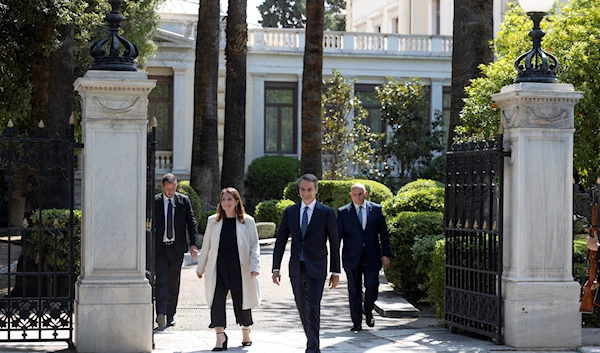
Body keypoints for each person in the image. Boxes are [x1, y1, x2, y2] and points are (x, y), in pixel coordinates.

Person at [272, 173, 340, 353]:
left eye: (310, 189)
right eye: (303, 189)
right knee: (302, 307)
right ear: (299, 191)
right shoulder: (291, 211)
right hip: (296, 267)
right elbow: (280, 240)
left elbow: (334, 243)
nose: (306, 193)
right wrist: (275, 267)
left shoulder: (326, 213)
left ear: (316, 190)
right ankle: (311, 338)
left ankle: (312, 347)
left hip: (317, 268)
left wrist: (336, 271)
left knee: (313, 307)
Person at [196, 187, 261, 351]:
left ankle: (246, 330)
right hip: (218, 268)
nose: (226, 203)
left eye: (230, 199)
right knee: (216, 301)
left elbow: (255, 246)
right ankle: (220, 337)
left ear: (237, 201)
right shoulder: (213, 221)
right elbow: (206, 246)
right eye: (223, 199)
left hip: (240, 269)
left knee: (242, 302)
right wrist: (201, 267)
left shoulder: (248, 221)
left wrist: (255, 266)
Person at [337, 183, 391, 332]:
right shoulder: (343, 212)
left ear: (366, 193)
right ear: (350, 195)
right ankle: (356, 323)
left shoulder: (376, 210)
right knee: (354, 291)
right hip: (351, 258)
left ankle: (368, 310)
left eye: (360, 194)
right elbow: (337, 237)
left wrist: (386, 254)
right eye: (354, 194)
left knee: (372, 287)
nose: (357, 197)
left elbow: (384, 234)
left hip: (372, 256)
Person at [154, 173, 199, 329]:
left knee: (174, 283)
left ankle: (170, 314)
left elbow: (191, 222)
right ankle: (160, 313)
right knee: (161, 281)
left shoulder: (183, 201)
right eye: (168, 189)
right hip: (160, 248)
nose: (170, 192)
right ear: (162, 187)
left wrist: (194, 244)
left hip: (177, 248)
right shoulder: (155, 202)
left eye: (173, 189)